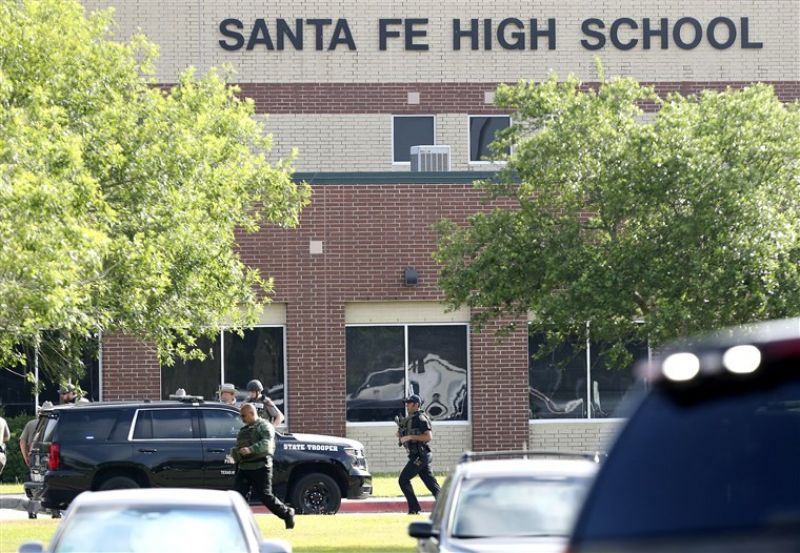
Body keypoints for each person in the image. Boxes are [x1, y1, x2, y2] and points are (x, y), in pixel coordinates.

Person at [229, 403, 295, 529]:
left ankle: (287, 513)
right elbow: (239, 447)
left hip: (261, 467)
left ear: (251, 413)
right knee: (238, 497)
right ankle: (242, 525)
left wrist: (251, 449)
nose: (242, 419)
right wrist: (235, 455)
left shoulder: (264, 426)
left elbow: (267, 443)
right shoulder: (244, 430)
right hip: (244, 468)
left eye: (243, 416)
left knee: (266, 497)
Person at [397, 394, 440, 515]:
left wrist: (410, 437)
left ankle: (414, 508)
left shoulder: (421, 418)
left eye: (409, 403)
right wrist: (401, 433)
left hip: (420, 456)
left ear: (416, 405)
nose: (407, 405)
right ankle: (447, 507)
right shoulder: (411, 418)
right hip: (418, 455)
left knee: (403, 480)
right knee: (431, 484)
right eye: (406, 403)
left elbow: (428, 437)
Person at [20, 401, 53, 519]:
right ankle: (55, 511)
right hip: (51, 456)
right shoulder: (54, 423)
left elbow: (22, 441)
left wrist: (26, 457)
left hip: (35, 457)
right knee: (52, 483)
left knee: (35, 484)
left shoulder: (31, 424)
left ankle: (33, 511)